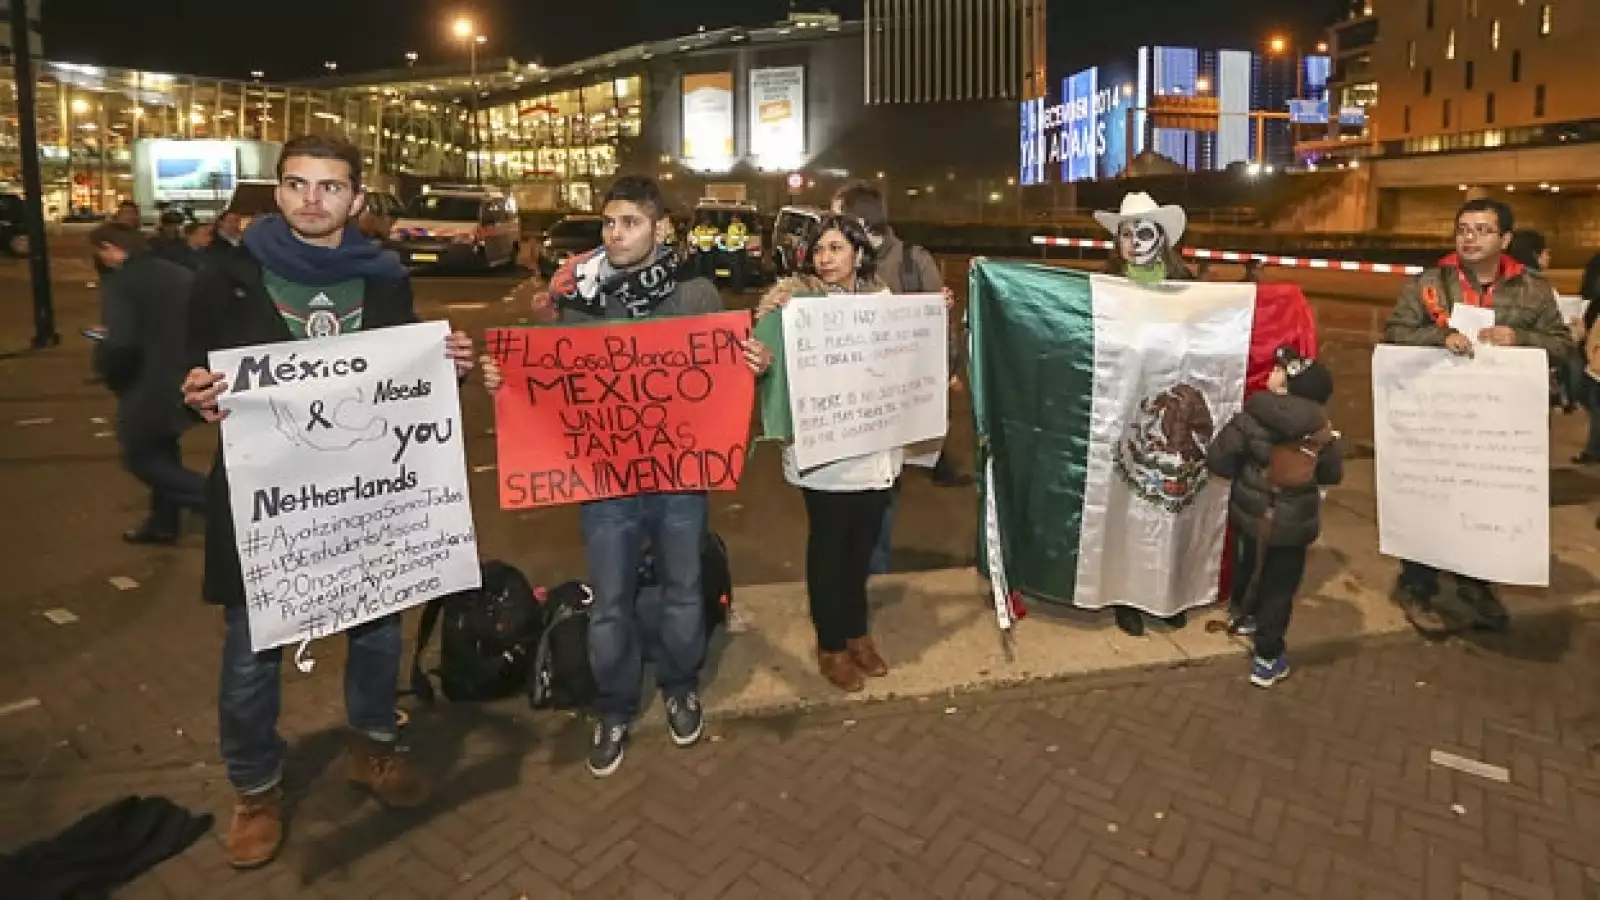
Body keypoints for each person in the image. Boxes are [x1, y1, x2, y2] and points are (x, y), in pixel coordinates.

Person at [179, 134, 478, 869]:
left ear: (358, 200)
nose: (313, 200)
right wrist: (193, 398)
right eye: (297, 185)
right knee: (253, 652)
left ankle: (372, 744)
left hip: (366, 499)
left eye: (331, 187)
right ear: (276, 192)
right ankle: (255, 787)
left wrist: (450, 369)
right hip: (267, 505)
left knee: (378, 631)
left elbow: (404, 377)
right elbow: (188, 374)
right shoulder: (226, 274)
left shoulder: (384, 279)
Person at [482, 175, 721, 779]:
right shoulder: (581, 297)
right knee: (610, 600)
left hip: (677, 475)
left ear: (660, 228)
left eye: (630, 223)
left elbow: (717, 377)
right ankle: (614, 706)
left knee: (683, 590)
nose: (615, 235)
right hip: (606, 478)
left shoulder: (695, 295)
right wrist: (505, 380)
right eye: (609, 223)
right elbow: (552, 379)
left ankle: (679, 685)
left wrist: (751, 362)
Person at [1383, 198, 1571, 634]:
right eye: (1463, 229)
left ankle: (1475, 582)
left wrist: (1519, 336)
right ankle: (1418, 586)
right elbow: (1395, 332)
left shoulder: (1533, 289)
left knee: (1485, 503)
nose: (1469, 238)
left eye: (1482, 230)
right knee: (1431, 502)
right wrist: (1440, 336)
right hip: (1439, 421)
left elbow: (1561, 344)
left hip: (1498, 427)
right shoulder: (1430, 283)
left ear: (1505, 239)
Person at [744, 215, 900, 693]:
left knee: (861, 547)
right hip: (825, 453)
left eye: (836, 247)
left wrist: (936, 314)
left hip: (874, 447)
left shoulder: (885, 303)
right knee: (830, 547)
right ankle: (830, 644)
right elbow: (764, 361)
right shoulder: (790, 304)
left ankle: (857, 633)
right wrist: (761, 357)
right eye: (819, 250)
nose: (826, 258)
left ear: (858, 252)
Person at [830, 183, 965, 577]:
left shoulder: (912, 260)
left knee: (882, 488)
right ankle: (847, 569)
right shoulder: (833, 260)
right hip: (844, 396)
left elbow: (940, 324)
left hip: (893, 400)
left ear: (857, 220)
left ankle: (874, 573)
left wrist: (944, 373)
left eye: (836, 215)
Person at [1207, 346, 1343, 688]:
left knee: (1248, 561)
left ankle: (1244, 613)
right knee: (1280, 586)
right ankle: (1267, 659)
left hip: (1252, 512)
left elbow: (1219, 460)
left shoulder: (1253, 415)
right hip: (1292, 523)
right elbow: (1331, 474)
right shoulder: (1322, 429)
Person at [1094, 191, 1196, 636]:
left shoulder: (1189, 288)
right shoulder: (1103, 291)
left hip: (1169, 423)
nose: (1133, 241)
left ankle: (1165, 594)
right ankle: (1123, 595)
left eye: (1143, 232)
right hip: (1121, 418)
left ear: (1163, 239)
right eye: (1125, 233)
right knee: (1123, 507)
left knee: (1169, 510)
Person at [88, 222, 206, 545]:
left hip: (146, 380)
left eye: (100, 252)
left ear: (111, 248)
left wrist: (111, 373)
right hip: (182, 375)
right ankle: (163, 523)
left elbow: (122, 344)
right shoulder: (175, 272)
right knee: (163, 448)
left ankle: (217, 504)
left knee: (141, 457)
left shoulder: (123, 282)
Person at [1096, 191, 1196, 285]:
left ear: (1161, 240)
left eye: (1145, 234)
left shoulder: (1181, 280)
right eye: (1126, 234)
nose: (1134, 242)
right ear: (1118, 240)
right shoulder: (1107, 282)